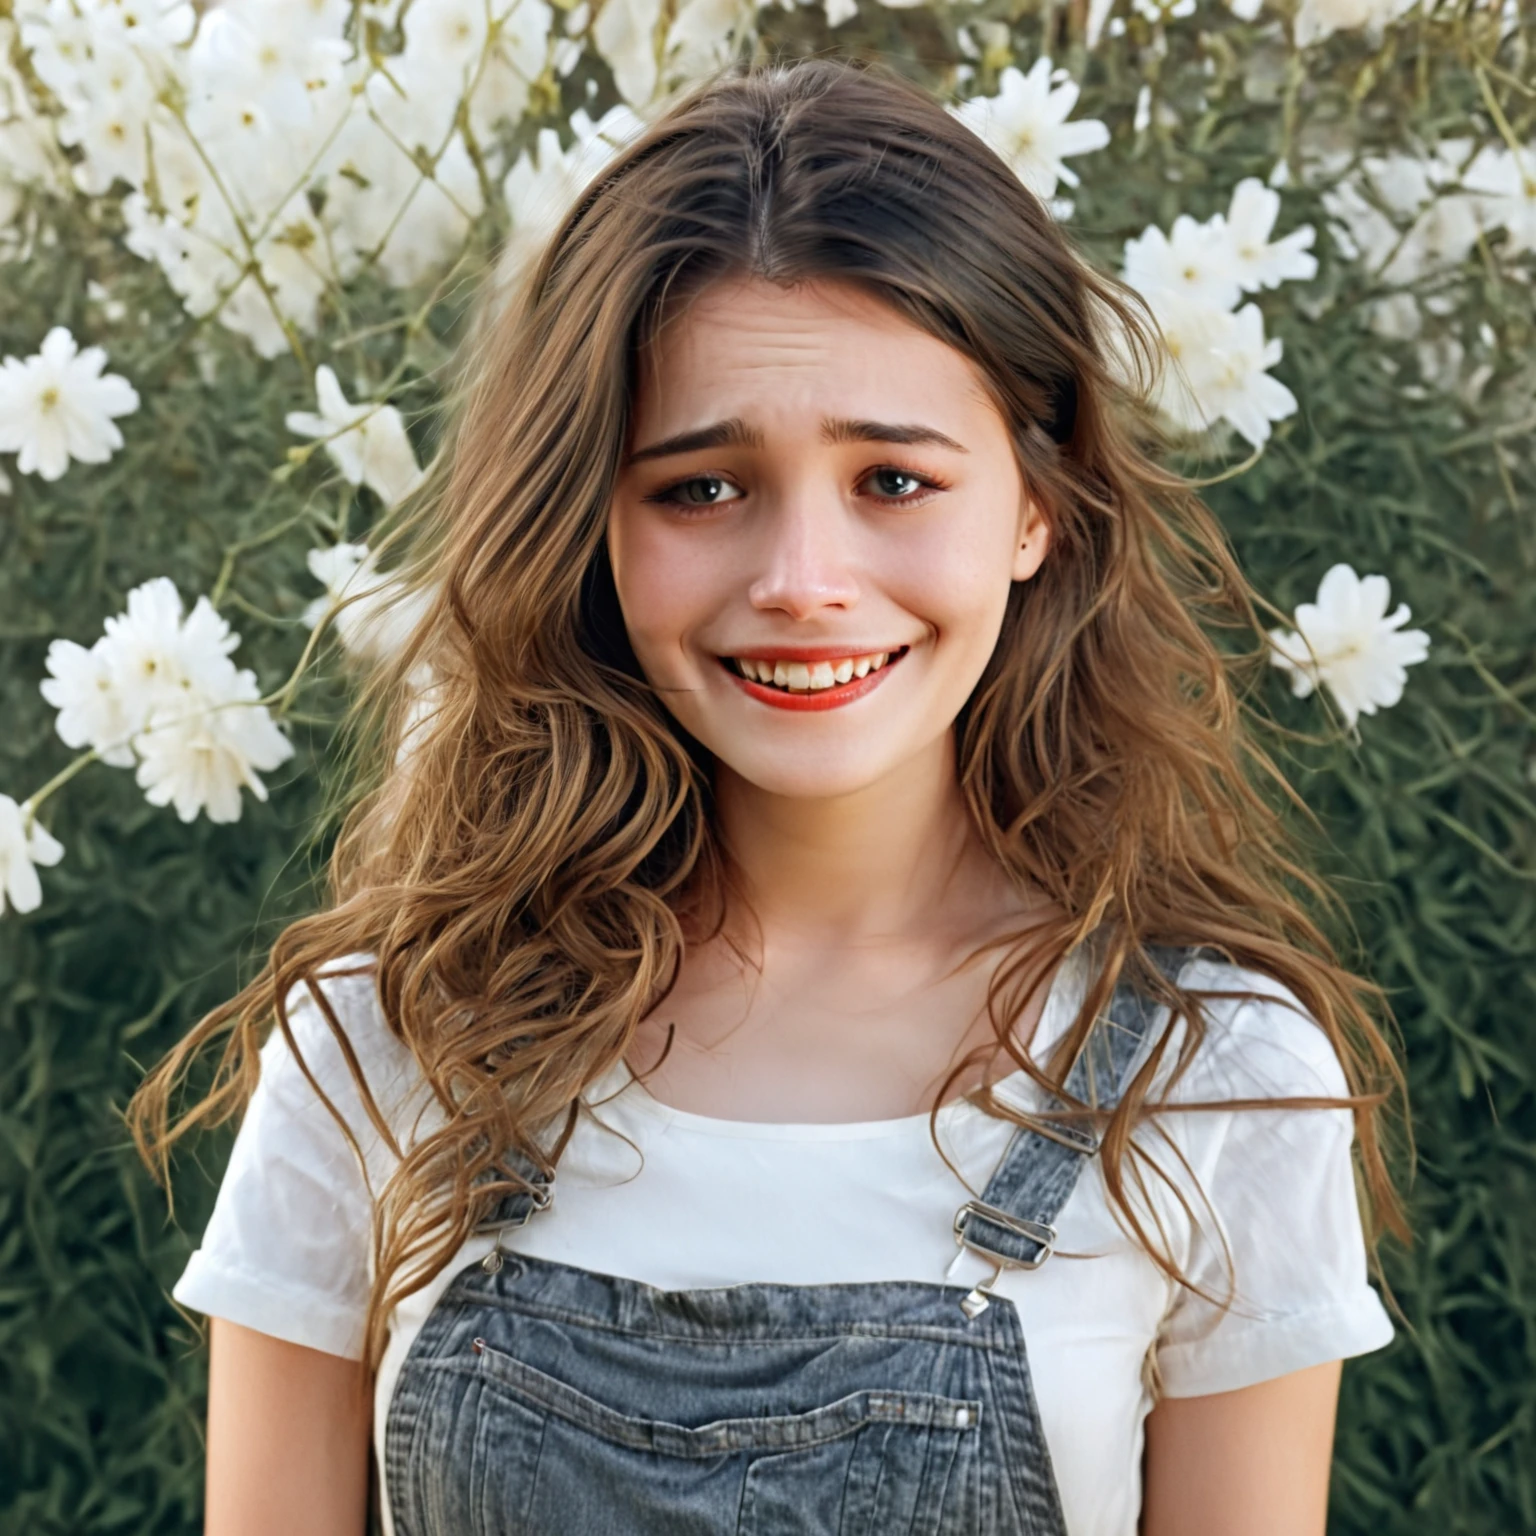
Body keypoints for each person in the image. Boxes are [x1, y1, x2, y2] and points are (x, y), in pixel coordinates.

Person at [130, 57, 1402, 1536]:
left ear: (1039, 506)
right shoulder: (387, 1044)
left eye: (895, 482)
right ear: (587, 523)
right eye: (704, 488)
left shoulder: (1210, 1080)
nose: (803, 583)